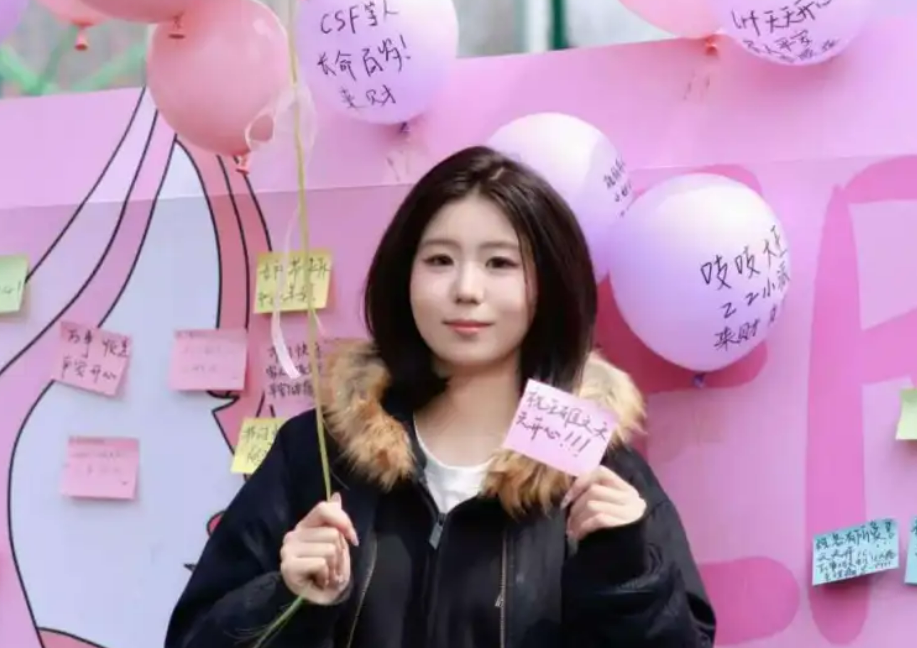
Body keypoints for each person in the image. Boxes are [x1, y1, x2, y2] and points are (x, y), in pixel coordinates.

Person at [165, 146, 716, 648]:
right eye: (439, 261)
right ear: (403, 276)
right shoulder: (316, 453)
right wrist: (287, 599)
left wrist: (629, 576)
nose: (466, 290)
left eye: (500, 263)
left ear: (547, 286)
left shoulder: (597, 470)